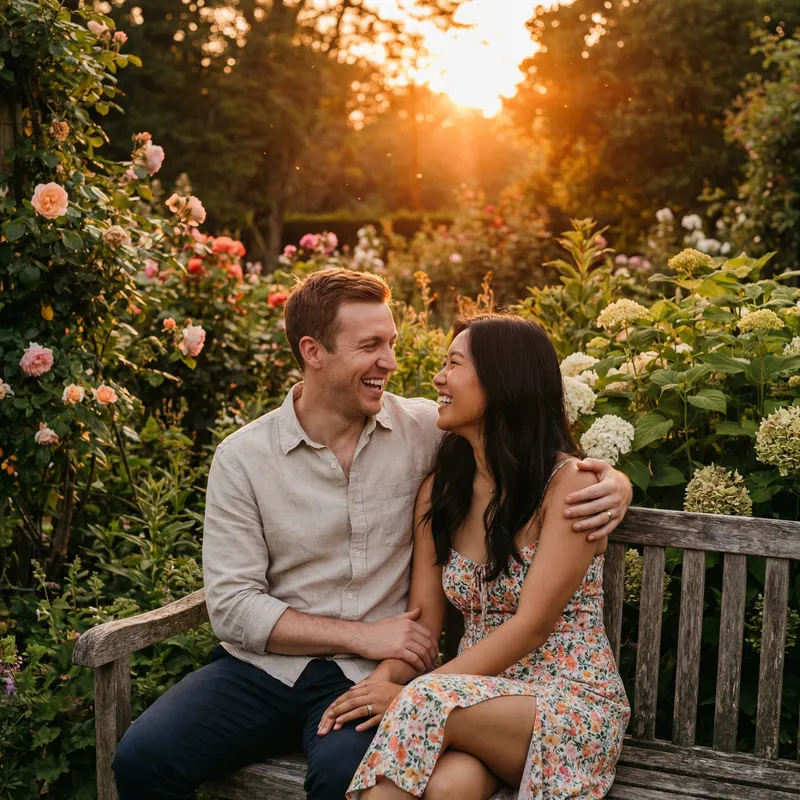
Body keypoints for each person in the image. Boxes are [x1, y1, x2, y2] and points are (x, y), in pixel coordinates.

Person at [112, 270, 632, 800]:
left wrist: (615, 482)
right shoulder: (245, 458)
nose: (392, 363)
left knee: (347, 779)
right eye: (370, 346)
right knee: (143, 758)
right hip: (264, 672)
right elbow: (232, 607)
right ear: (314, 351)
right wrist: (364, 637)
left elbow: (525, 445)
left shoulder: (427, 429)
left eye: (392, 343)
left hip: (380, 677)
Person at [324, 314, 630, 800]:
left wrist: (407, 696)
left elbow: (532, 625)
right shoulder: (441, 492)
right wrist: (377, 687)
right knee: (446, 789)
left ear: (502, 380)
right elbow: (423, 624)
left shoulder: (571, 486)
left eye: (454, 364)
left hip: (567, 704)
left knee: (423, 702)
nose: (438, 377)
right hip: (470, 700)